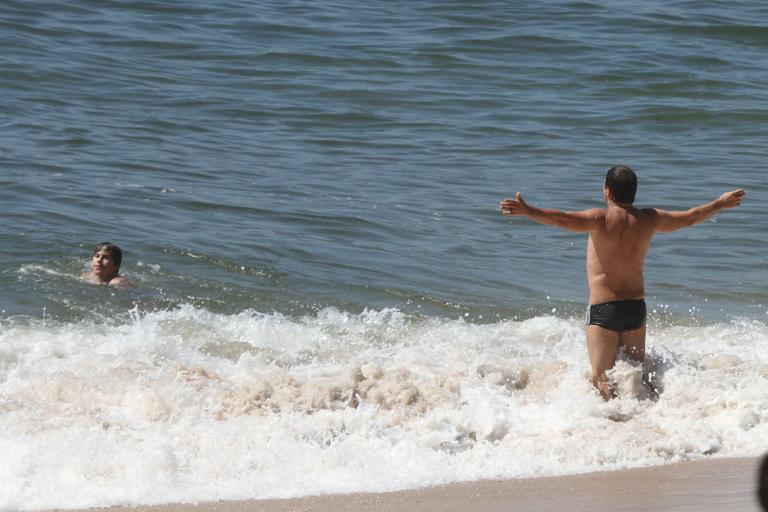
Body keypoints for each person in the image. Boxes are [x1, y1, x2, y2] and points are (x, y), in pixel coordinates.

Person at [499, 165, 745, 399]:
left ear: (607, 190)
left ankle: (616, 423)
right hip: (636, 310)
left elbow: (563, 219)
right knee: (635, 377)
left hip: (604, 310)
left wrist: (529, 211)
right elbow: (690, 217)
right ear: (634, 191)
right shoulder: (650, 219)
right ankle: (646, 419)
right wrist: (719, 204)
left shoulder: (600, 218)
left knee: (601, 379)